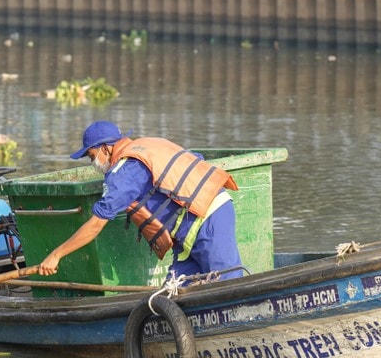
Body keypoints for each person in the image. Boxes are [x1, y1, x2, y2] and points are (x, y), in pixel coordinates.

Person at [37, 121, 244, 282]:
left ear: (105, 149)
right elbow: (195, 157)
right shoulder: (148, 144)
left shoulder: (123, 174)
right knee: (172, 297)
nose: (93, 163)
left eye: (92, 156)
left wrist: (56, 255)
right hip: (187, 234)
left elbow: (95, 225)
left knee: (228, 285)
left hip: (207, 219)